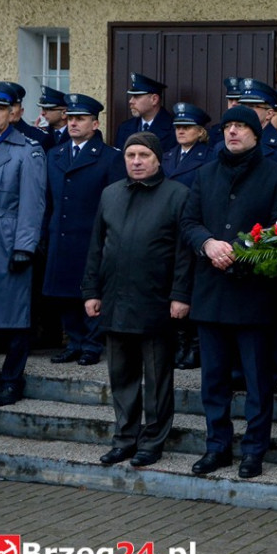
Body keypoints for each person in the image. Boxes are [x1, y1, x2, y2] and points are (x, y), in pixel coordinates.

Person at [181, 105, 277, 479]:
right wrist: (207, 244)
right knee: (213, 381)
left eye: (240, 127)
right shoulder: (204, 173)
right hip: (211, 293)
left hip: (255, 296)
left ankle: (253, 451)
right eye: (228, 126)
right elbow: (189, 221)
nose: (232, 133)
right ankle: (217, 447)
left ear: (256, 134)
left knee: (257, 382)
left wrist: (236, 251)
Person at [82, 131, 193, 467]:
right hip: (115, 299)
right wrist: (90, 291)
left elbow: (183, 254)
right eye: (131, 156)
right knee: (121, 374)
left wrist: (180, 295)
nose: (136, 162)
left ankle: (153, 441)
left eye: (144, 155)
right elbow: (96, 247)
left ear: (158, 159)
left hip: (156, 301)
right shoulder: (111, 194)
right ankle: (125, 438)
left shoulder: (178, 195)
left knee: (157, 378)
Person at [0, 81, 47, 407]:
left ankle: (11, 380)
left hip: (6, 240)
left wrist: (25, 246)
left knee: (14, 315)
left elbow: (34, 202)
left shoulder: (27, 150)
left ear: (12, 112)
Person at [43, 93, 126, 367]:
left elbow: (116, 201)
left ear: (96, 123)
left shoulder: (109, 157)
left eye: (81, 119)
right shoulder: (56, 154)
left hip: (91, 235)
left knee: (91, 291)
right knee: (64, 291)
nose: (74, 123)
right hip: (60, 233)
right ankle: (75, 342)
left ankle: (92, 344)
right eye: (71, 118)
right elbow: (49, 199)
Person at [163, 102, 214, 370]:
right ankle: (179, 343)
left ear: (200, 131)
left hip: (194, 228)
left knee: (190, 287)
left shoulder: (208, 156)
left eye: (186, 127)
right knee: (172, 286)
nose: (180, 131)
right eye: (177, 127)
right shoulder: (168, 155)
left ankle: (194, 346)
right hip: (169, 228)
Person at [113, 72, 175, 152]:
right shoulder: (124, 128)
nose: (131, 101)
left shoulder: (174, 128)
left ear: (154, 99)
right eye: (132, 96)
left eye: (136, 96)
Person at [36, 85, 69, 152]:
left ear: (64, 113)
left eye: (48, 109)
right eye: (42, 109)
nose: (42, 113)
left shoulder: (75, 133)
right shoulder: (42, 133)